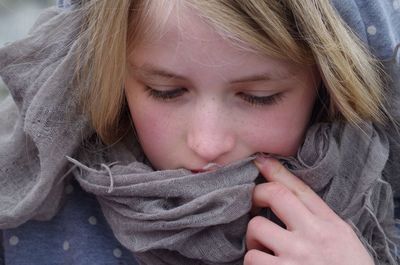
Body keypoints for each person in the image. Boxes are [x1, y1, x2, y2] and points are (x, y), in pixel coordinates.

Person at [0, 0, 399, 264]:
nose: (207, 144)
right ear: (112, 78)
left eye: (259, 96)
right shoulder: (29, 209)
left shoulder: (387, 200)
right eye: (166, 91)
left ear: (329, 87)